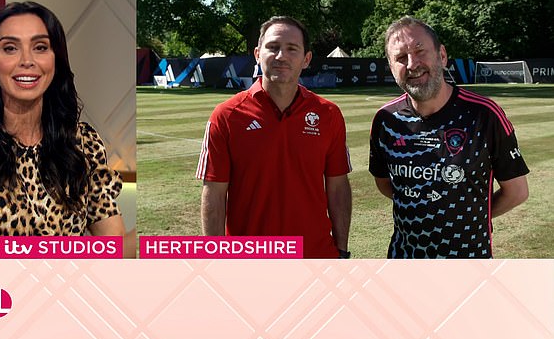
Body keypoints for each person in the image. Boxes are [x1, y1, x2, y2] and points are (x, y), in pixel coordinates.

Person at [0, 1, 135, 258]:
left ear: (55, 61)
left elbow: (115, 249)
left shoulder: (83, 142)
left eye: (40, 47)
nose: (27, 61)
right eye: (10, 48)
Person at [369, 16, 529, 258]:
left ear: (442, 56)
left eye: (420, 51)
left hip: (468, 264)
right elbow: (385, 184)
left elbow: (517, 191)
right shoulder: (386, 120)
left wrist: (472, 215)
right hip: (403, 261)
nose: (412, 64)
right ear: (392, 68)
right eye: (400, 58)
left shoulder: (484, 114)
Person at [196, 16, 352, 258]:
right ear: (258, 54)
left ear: (306, 59)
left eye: (292, 49)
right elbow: (214, 193)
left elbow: (338, 187)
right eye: (273, 47)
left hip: (316, 256)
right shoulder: (226, 115)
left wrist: (341, 250)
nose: (281, 56)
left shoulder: (328, 114)